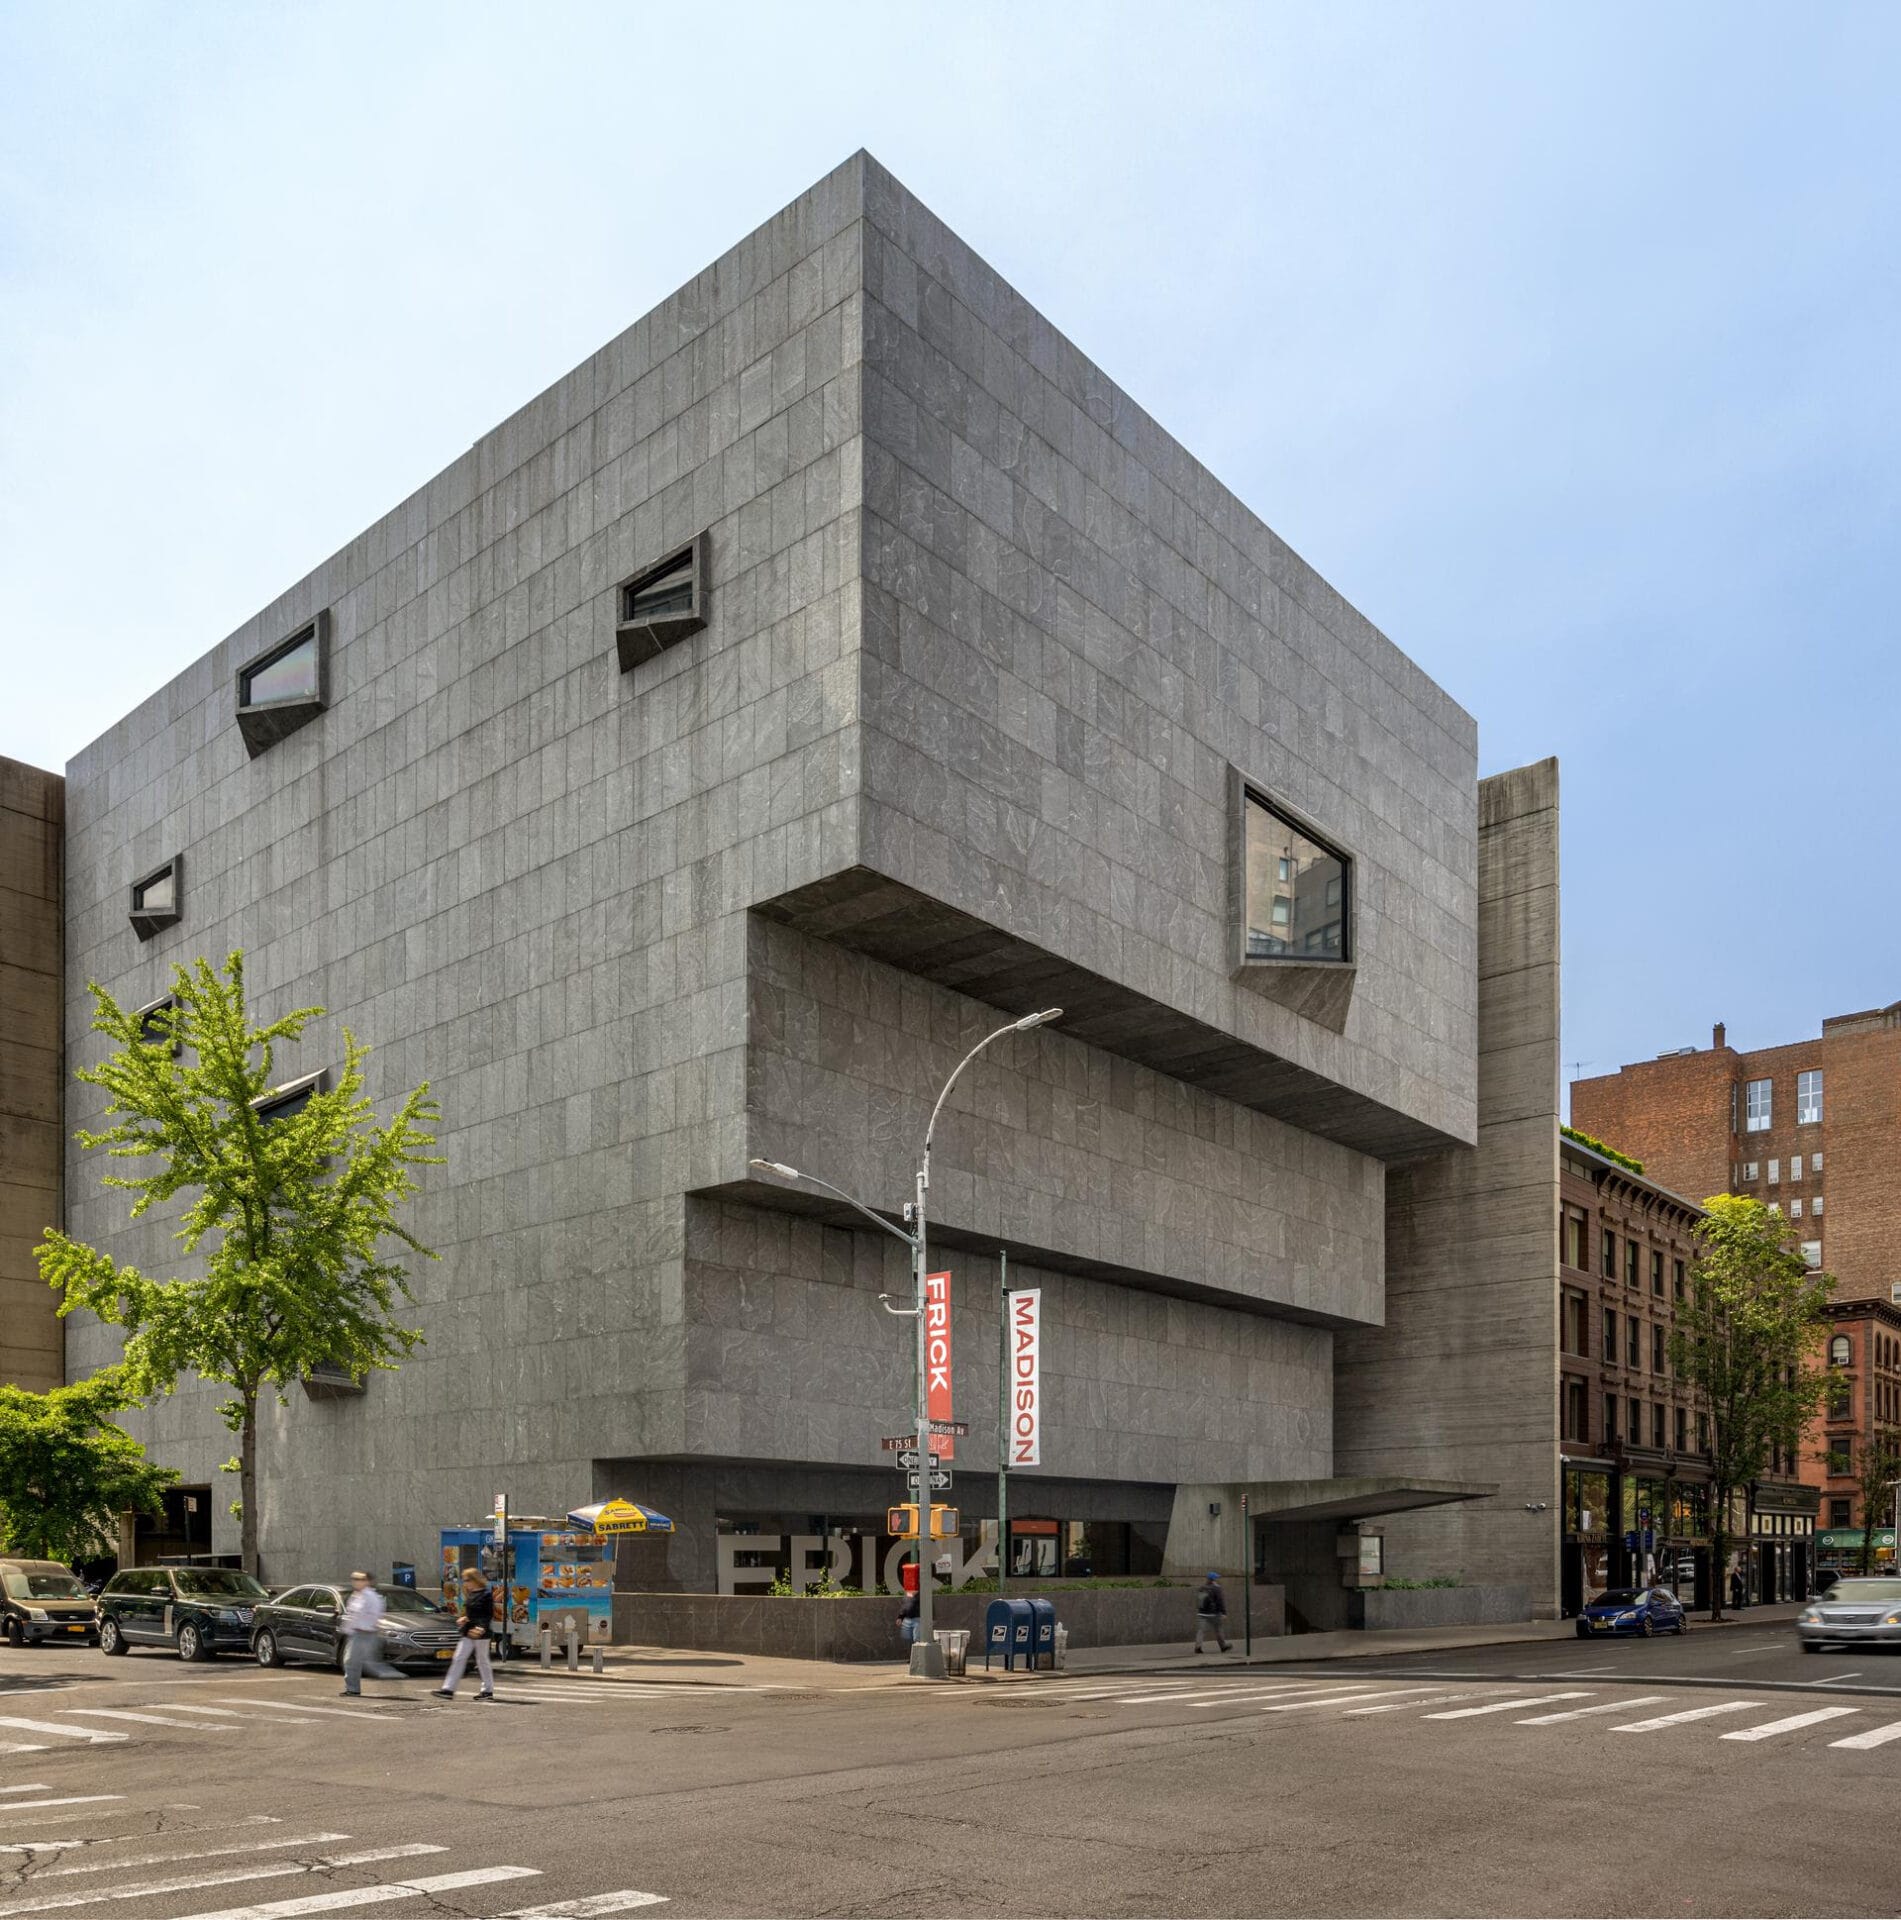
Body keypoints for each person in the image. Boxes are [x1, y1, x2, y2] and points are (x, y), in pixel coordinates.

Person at [340, 1570, 405, 1696]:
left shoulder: (371, 1597)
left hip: (365, 1633)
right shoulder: (358, 1595)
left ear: (367, 1581)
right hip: (356, 1633)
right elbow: (352, 1615)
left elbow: (375, 1614)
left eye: (360, 1579)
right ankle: (354, 1688)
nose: (356, 1582)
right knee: (358, 1662)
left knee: (354, 1662)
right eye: (355, 1579)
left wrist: (370, 1626)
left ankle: (354, 1689)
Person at [436, 1568, 496, 1700]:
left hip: (480, 1633)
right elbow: (471, 1612)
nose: (465, 1583)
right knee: (458, 1658)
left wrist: (481, 1627)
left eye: (467, 1580)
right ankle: (448, 1689)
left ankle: (487, 1691)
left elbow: (488, 1614)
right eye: (464, 1580)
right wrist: (465, 1618)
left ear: (475, 1580)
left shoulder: (486, 1594)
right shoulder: (471, 1593)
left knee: (482, 1661)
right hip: (468, 1631)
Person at [1194, 1571, 1231, 1654]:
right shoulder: (1217, 1588)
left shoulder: (1201, 1587)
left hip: (1202, 1613)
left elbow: (1198, 1600)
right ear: (1214, 1579)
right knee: (1218, 1630)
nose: (1218, 1579)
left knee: (1201, 1631)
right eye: (1216, 1578)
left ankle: (1198, 1647)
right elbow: (1220, 1601)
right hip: (1214, 1613)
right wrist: (1224, 1613)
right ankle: (1223, 1646)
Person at [897, 1586, 920, 1651]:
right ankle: (912, 1657)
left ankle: (917, 1657)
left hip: (918, 1619)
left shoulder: (921, 1594)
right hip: (907, 1619)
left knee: (916, 1639)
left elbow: (928, 1605)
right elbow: (904, 1607)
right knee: (908, 1639)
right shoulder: (907, 1594)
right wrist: (900, 1617)